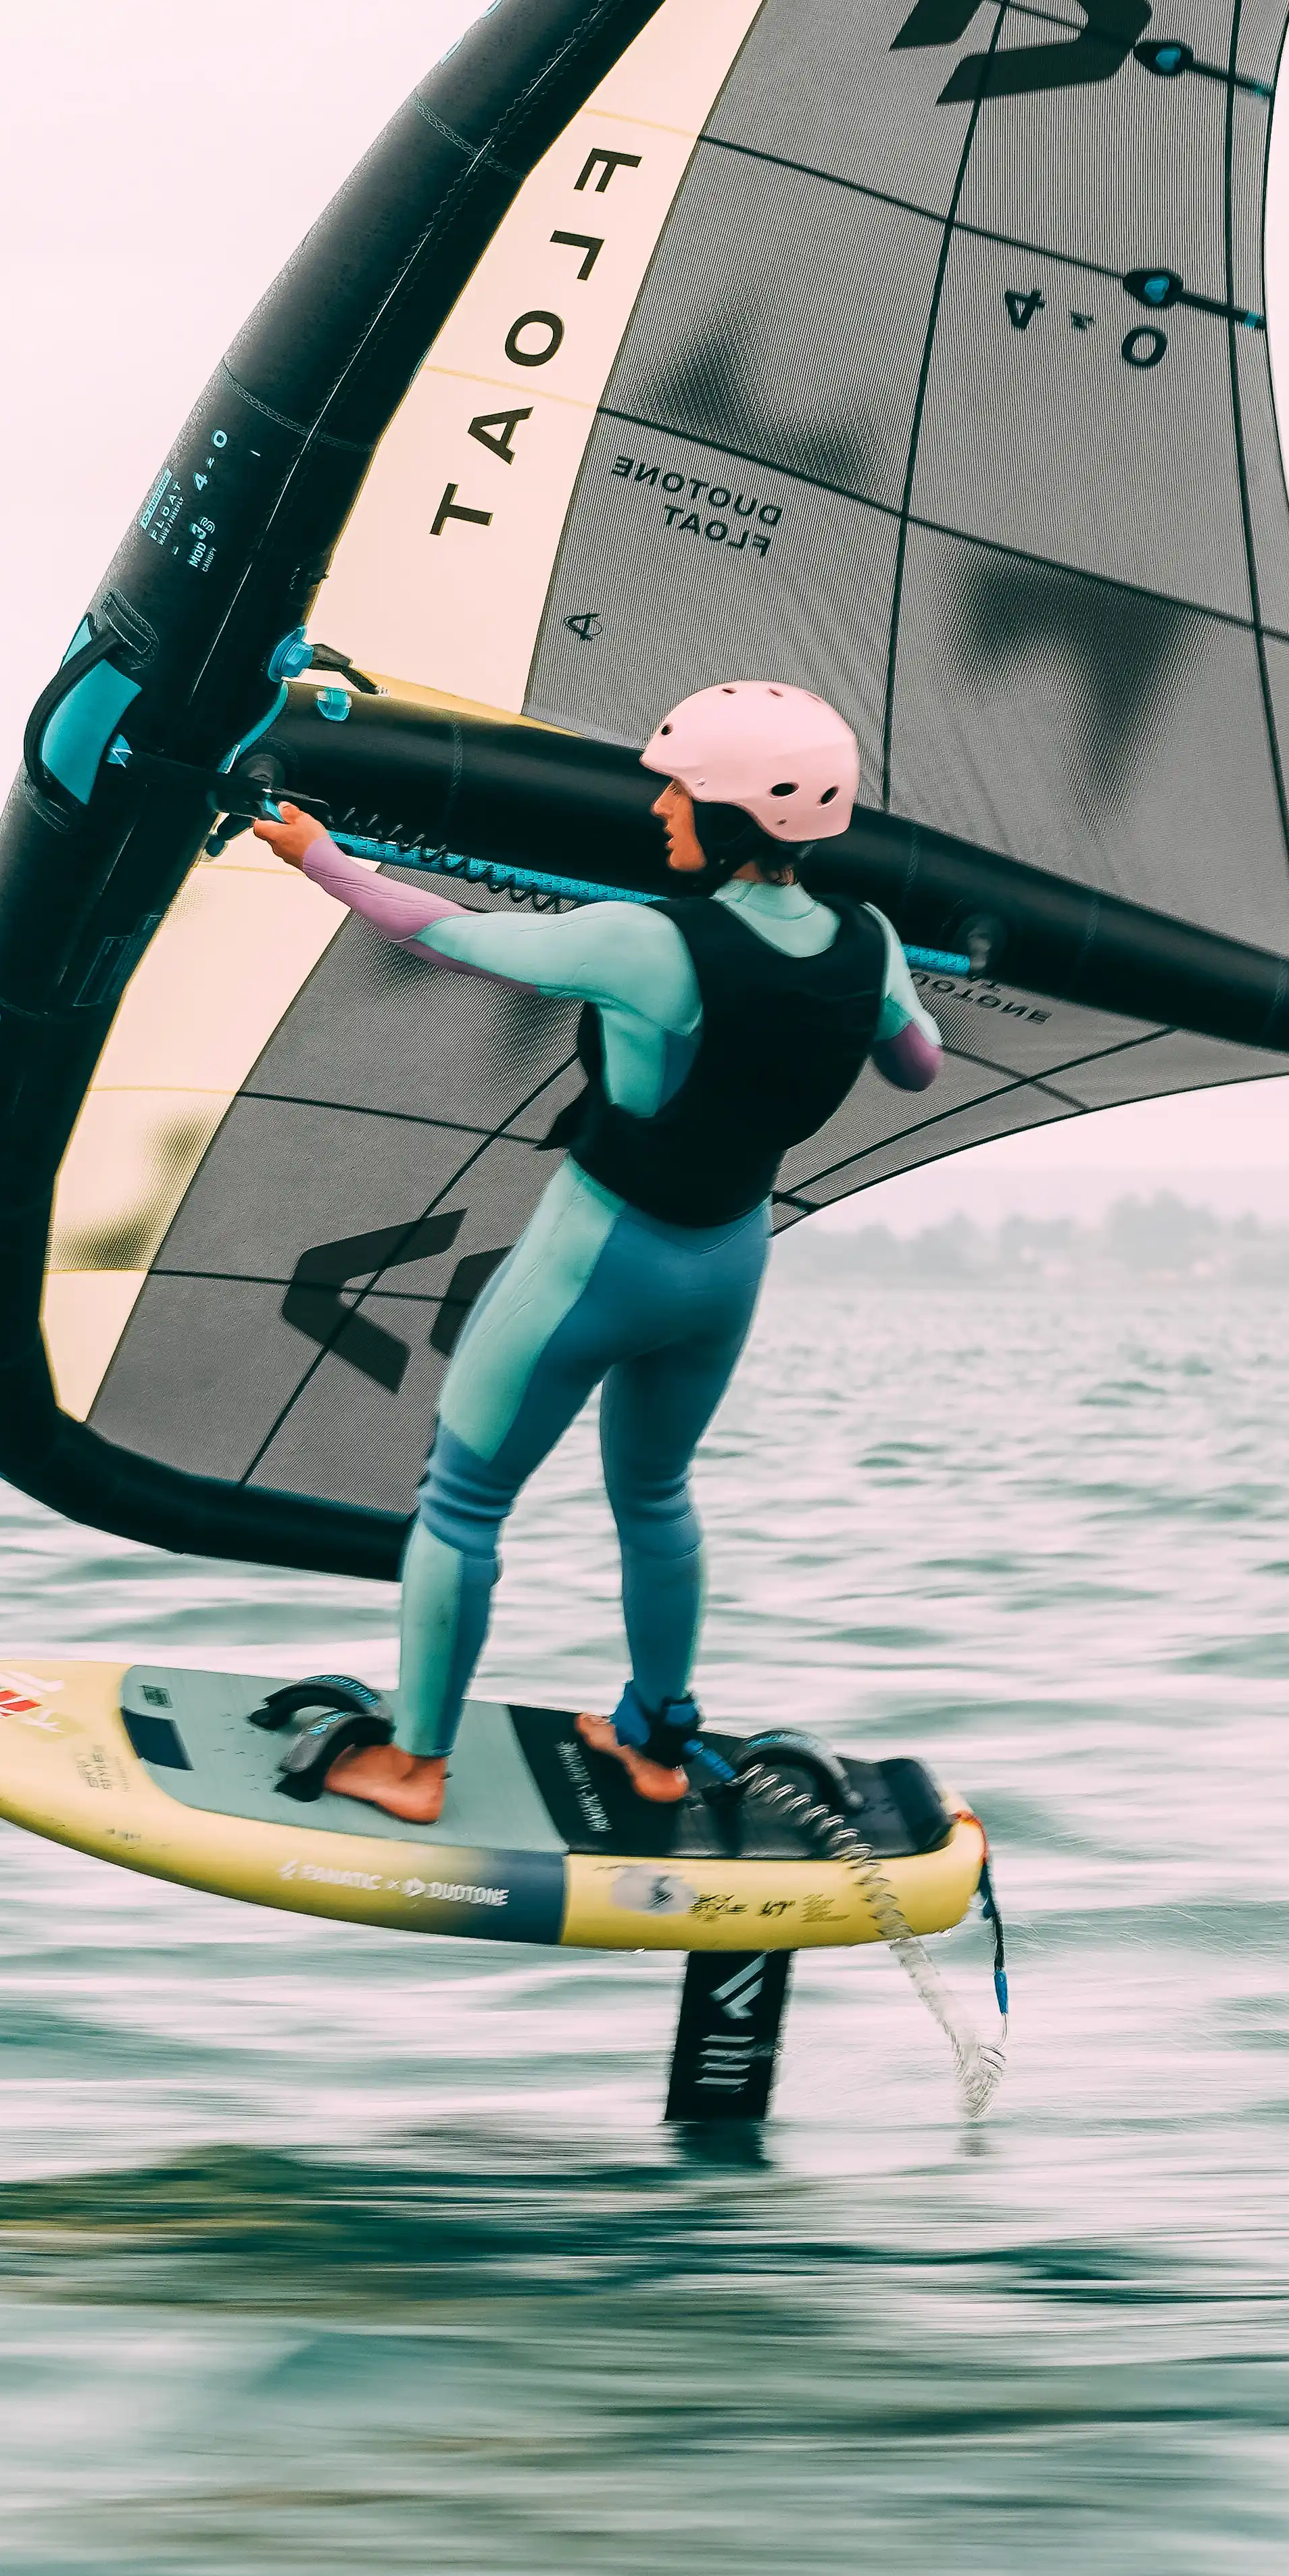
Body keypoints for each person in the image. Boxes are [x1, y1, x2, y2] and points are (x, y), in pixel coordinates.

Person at [251, 680, 944, 1825]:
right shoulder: (867, 941)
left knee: (463, 1503)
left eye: (680, 788)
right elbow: (915, 1062)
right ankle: (656, 1740)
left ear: (734, 814)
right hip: (726, 1265)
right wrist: (876, 999)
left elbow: (451, 938)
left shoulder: (645, 941)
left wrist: (320, 858)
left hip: (600, 1258)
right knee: (658, 1497)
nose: (662, 803)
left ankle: (414, 1767)